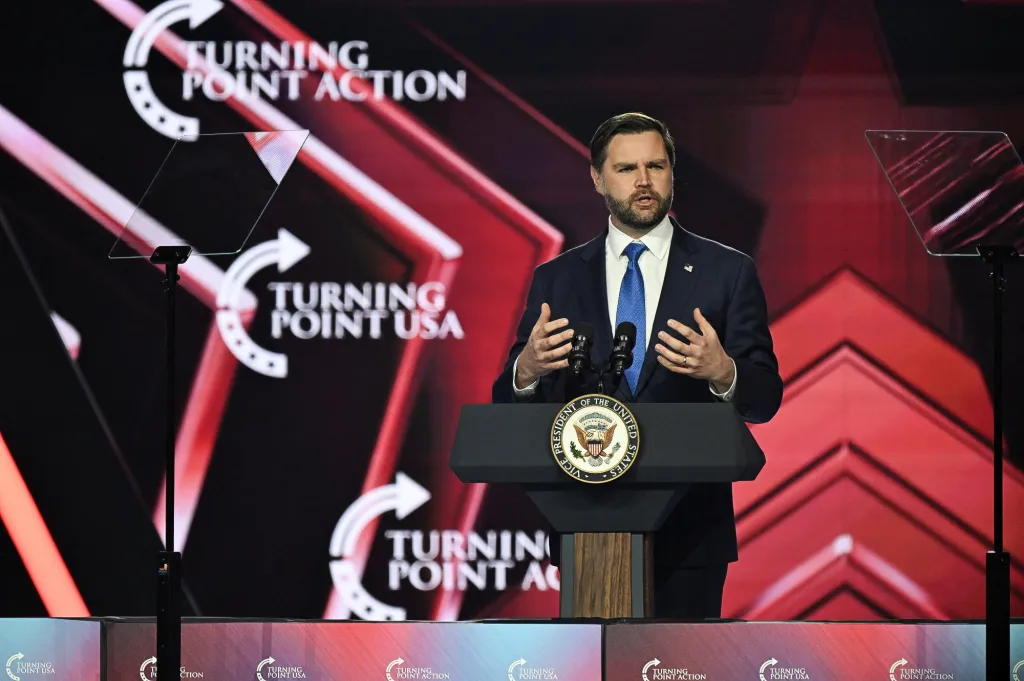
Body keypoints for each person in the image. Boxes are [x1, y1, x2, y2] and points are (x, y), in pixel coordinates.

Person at [491, 112, 783, 619]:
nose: (644, 182)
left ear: (672, 173)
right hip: (586, 525)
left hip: (692, 533)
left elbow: (764, 398)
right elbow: (507, 398)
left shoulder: (726, 272)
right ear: (598, 177)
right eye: (627, 169)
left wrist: (723, 372)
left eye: (656, 166)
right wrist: (527, 371)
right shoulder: (557, 279)